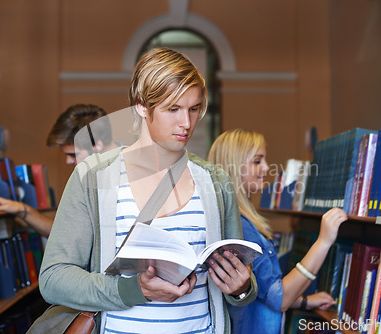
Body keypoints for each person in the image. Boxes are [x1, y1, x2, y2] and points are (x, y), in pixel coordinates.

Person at [38, 48, 257, 334]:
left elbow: (238, 290)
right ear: (141, 106)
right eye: (173, 109)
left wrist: (241, 288)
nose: (187, 124)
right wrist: (133, 289)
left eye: (194, 109)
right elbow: (54, 279)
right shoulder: (92, 177)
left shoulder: (215, 181)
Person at [207, 128, 348, 334]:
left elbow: (261, 291)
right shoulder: (241, 225)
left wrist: (303, 301)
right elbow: (279, 299)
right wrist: (323, 241)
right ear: (234, 167)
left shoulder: (235, 219)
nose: (266, 168)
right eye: (257, 161)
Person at [0, 104, 116, 238]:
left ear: (97, 145)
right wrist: (21, 209)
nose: (68, 161)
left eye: (73, 154)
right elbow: (67, 234)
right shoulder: (93, 175)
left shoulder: (127, 176)